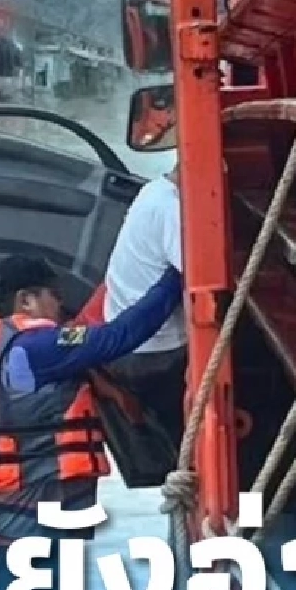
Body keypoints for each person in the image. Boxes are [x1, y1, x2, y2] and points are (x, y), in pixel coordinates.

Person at [0, 253, 182, 557]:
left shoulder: (10, 345)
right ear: (26, 300)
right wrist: (175, 277)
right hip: (34, 504)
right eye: (54, 295)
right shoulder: (38, 348)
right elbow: (120, 336)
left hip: (19, 501)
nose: (61, 305)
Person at [102, 165, 188, 453]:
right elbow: (202, 280)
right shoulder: (172, 210)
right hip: (155, 354)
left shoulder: (152, 191)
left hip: (124, 347)